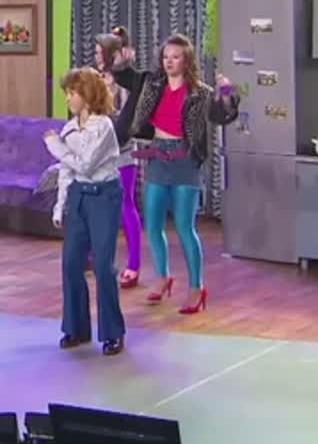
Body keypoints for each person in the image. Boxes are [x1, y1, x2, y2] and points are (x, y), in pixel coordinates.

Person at [113, 34, 239, 315]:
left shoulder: (200, 93)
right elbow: (126, 78)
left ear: (187, 61)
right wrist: (121, 64)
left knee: (184, 228)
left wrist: (227, 90)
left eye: (175, 57)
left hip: (185, 161)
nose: (169, 62)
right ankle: (162, 277)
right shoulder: (152, 84)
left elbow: (224, 115)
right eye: (166, 57)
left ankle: (196, 287)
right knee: (153, 225)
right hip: (158, 157)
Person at [47, 67, 126, 356]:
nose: (68, 98)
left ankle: (113, 333)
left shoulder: (103, 127)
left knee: (103, 266)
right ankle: (76, 328)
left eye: (73, 93)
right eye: (67, 93)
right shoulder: (69, 128)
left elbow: (86, 165)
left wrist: (55, 147)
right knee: (70, 263)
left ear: (88, 95)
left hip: (104, 196)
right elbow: (67, 171)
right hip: (79, 196)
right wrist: (60, 205)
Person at [94, 28, 142, 289]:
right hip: (98, 152)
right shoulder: (94, 79)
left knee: (125, 204)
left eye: (100, 53)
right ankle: (97, 256)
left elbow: (128, 118)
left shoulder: (126, 84)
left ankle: (134, 264)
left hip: (123, 150)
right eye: (96, 53)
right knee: (98, 205)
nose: (97, 57)